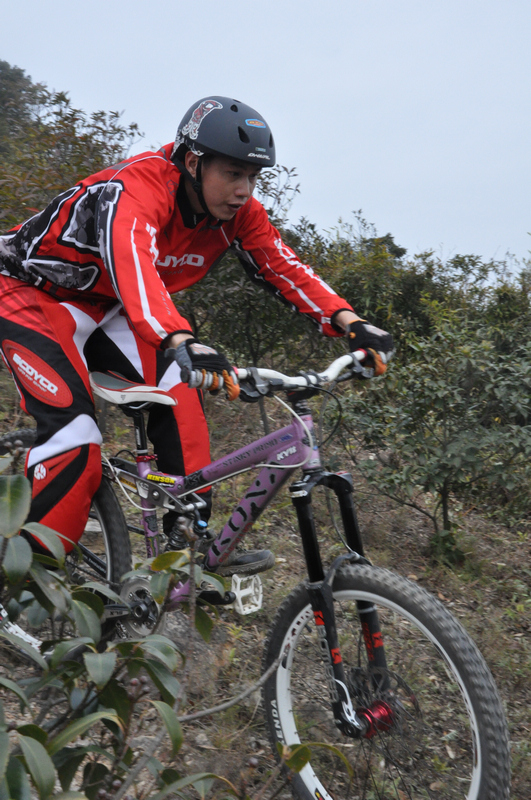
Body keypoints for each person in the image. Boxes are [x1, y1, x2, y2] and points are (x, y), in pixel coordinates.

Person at [0, 95, 394, 576]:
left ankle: (184, 555)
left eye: (253, 177)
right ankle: (28, 585)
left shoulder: (237, 213)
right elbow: (132, 264)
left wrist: (351, 322)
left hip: (107, 305)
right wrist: (180, 339)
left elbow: (282, 265)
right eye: (233, 174)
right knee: (75, 436)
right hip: (28, 291)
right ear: (193, 163)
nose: (244, 190)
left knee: (182, 397)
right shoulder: (137, 188)